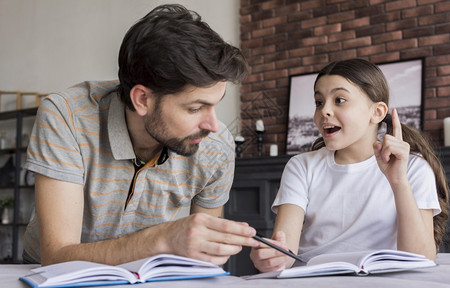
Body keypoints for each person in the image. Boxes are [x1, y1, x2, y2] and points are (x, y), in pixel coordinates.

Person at [22, 4, 259, 266]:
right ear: (142, 99)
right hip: (52, 283)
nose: (213, 125)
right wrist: (161, 239)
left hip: (149, 282)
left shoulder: (217, 146)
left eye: (215, 104)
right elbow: (57, 257)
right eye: (195, 108)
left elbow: (205, 262)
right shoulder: (66, 117)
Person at [250, 58, 449, 273]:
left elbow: (420, 258)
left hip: (383, 285)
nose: (324, 110)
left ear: (377, 112)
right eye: (319, 102)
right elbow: (285, 252)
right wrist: (272, 257)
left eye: (340, 100)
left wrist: (398, 180)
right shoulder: (301, 166)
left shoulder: (413, 169)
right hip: (312, 284)